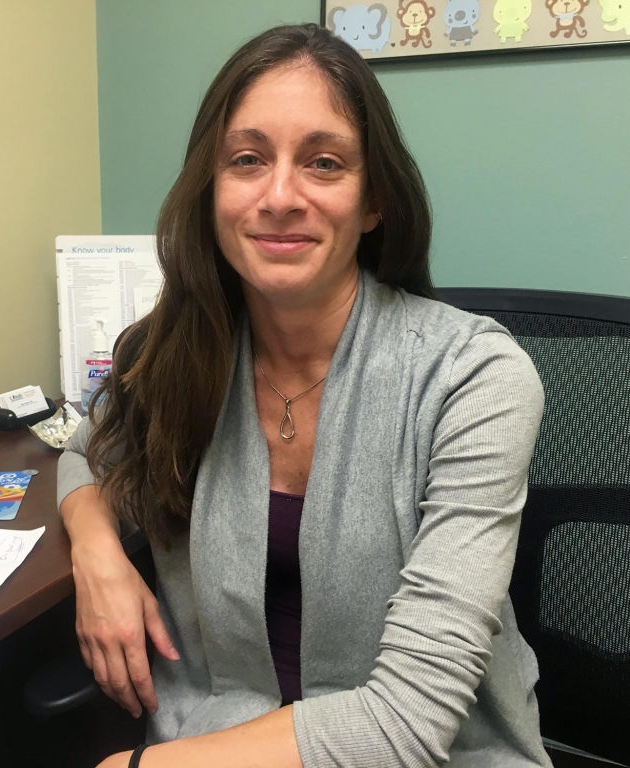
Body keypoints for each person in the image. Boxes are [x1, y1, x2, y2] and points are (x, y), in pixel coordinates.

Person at [57, 23, 551, 768]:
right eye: (247, 160)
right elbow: (82, 450)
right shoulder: (177, 354)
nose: (280, 196)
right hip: (216, 739)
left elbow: (407, 723)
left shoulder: (473, 378)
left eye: (323, 163)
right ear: (211, 188)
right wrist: (96, 552)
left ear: (373, 199)